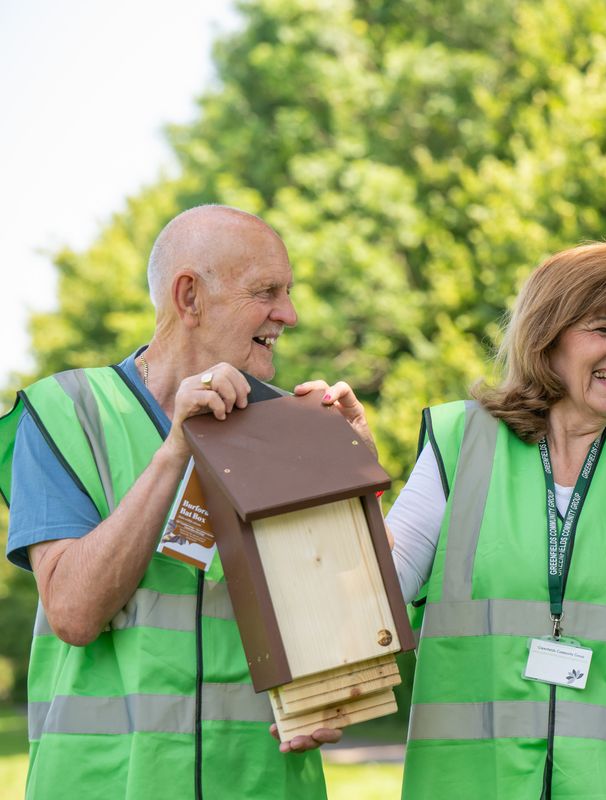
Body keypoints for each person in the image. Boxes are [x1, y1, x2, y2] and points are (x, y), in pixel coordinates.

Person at [0, 205, 368, 799]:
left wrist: (353, 472)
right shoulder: (66, 413)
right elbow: (72, 611)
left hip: (260, 782)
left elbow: (348, 620)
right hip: (109, 783)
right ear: (189, 297)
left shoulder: (291, 423)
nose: (290, 314)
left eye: (288, 292)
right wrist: (175, 451)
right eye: (267, 292)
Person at [385, 242, 606, 798]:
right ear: (547, 338)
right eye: (602, 329)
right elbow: (385, 583)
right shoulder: (462, 440)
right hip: (471, 777)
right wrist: (347, 481)